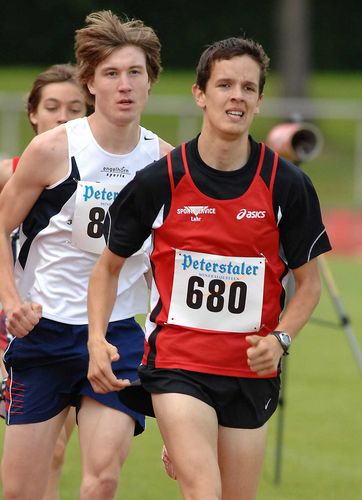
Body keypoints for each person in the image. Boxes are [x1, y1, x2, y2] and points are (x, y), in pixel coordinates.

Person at [87, 36, 332, 499]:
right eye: (224, 84)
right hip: (178, 362)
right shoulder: (160, 180)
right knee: (204, 490)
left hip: (249, 370)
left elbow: (310, 286)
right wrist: (96, 338)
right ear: (201, 94)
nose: (236, 95)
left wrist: (280, 341)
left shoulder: (287, 185)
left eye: (248, 87)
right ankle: (183, 437)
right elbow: (107, 268)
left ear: (259, 102)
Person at [0, 10, 171, 500]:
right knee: (21, 491)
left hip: (118, 333)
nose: (124, 85)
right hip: (45, 329)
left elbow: (169, 263)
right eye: (111, 74)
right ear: (90, 83)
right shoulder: (54, 149)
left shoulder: (164, 162)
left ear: (150, 82)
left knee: (103, 478)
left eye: (134, 73)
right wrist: (11, 299)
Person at [0, 62, 89, 500]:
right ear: (33, 114)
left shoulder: (95, 175)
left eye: (75, 107)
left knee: (56, 448)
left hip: (57, 322)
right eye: (52, 107)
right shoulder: (12, 172)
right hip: (11, 321)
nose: (63, 116)